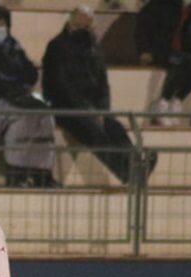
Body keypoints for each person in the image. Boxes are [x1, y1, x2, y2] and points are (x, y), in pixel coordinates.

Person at [42, 5, 151, 184]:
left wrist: (102, 111)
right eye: (83, 27)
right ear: (72, 25)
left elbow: (102, 84)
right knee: (94, 133)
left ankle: (136, 165)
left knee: (114, 127)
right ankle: (126, 173)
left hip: (93, 108)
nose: (88, 31)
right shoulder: (57, 47)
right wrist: (88, 111)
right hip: (67, 109)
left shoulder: (94, 49)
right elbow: (63, 87)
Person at [0, 7, 60, 187]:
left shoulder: (14, 46)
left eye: (2, 24)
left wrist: (17, 82)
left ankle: (42, 172)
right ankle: (16, 172)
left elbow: (30, 73)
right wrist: (14, 83)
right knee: (21, 119)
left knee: (45, 117)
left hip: (20, 96)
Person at [135, 0, 191, 126]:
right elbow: (141, 27)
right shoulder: (157, 5)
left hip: (178, 50)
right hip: (159, 49)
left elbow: (187, 32)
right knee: (181, 63)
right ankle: (162, 103)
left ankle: (177, 99)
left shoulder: (189, 8)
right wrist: (143, 50)